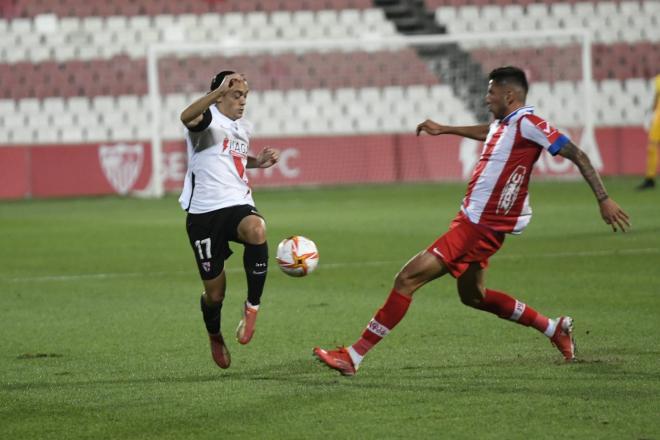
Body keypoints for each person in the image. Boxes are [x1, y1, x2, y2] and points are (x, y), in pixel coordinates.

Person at [313, 66, 630, 376]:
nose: (486, 98)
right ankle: (553, 328)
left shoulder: (530, 122)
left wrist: (603, 198)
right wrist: (446, 129)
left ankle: (353, 356)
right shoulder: (505, 124)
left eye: (491, 91)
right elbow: (489, 132)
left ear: (509, 94)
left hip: (480, 228)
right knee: (473, 296)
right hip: (470, 220)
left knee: (407, 279)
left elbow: (578, 154)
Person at [179, 71, 280, 369]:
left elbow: (230, 154)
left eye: (245, 96)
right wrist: (217, 91)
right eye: (237, 95)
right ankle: (214, 334)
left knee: (257, 229)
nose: (243, 101)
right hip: (204, 215)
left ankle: (252, 308)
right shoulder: (206, 118)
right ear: (220, 95)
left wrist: (257, 162)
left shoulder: (240, 127)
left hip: (237, 203)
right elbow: (186, 116)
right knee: (215, 294)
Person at [637, 73, 660, 190]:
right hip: (658, 117)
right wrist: (651, 113)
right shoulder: (658, 79)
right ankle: (650, 178)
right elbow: (657, 97)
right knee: (651, 147)